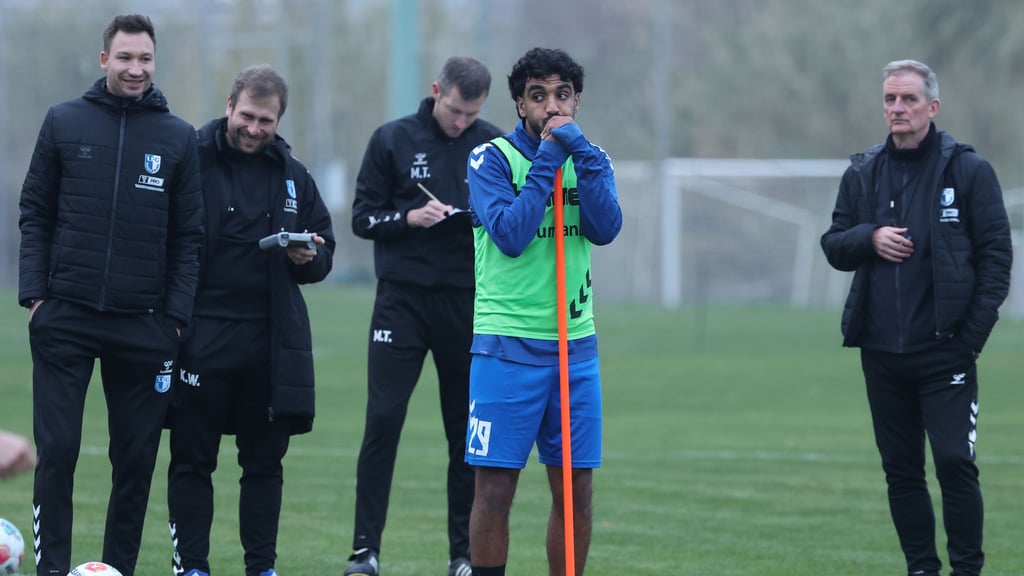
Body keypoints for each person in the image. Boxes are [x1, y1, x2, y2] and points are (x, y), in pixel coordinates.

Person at [17, 13, 203, 576]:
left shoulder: (177, 137)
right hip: (65, 316)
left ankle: (117, 567)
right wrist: (36, 298)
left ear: (154, 62)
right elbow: (35, 213)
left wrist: (173, 318)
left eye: (144, 58)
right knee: (60, 452)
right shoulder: (64, 121)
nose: (135, 68)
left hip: (144, 326)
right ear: (105, 61)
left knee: (135, 460)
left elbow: (189, 237)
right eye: (124, 57)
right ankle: (53, 568)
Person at [821, 59, 1012, 576]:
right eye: (890, 99)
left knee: (954, 462)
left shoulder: (968, 170)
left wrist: (971, 337)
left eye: (908, 99)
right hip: (882, 353)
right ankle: (921, 569)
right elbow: (835, 244)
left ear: (933, 106)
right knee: (902, 472)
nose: (897, 108)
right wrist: (870, 236)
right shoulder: (862, 171)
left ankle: (967, 569)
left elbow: (997, 256)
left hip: (946, 351)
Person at [166, 64, 335, 576]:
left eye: (266, 120)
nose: (255, 129)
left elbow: (325, 248)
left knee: (263, 465)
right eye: (247, 116)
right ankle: (192, 566)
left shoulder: (293, 174)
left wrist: (312, 257)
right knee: (193, 462)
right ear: (229, 104)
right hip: (200, 336)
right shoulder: (188, 159)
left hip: (269, 343)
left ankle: (262, 567)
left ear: (278, 119)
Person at [465, 47, 622, 576]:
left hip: (574, 348)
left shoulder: (591, 156)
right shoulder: (489, 160)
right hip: (506, 347)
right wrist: (550, 159)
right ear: (519, 103)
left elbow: (606, 228)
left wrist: (583, 158)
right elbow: (509, 235)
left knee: (577, 489)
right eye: (538, 96)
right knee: (494, 489)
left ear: (577, 100)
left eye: (562, 95)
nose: (551, 107)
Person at [345, 56, 503, 576]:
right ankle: (365, 551)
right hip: (401, 301)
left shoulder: (494, 146)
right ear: (437, 91)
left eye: (470, 114)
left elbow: (513, 223)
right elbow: (363, 217)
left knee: (464, 433)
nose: (461, 122)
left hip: (464, 303)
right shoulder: (391, 140)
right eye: (455, 110)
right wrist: (410, 217)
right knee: (384, 421)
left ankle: (463, 555)